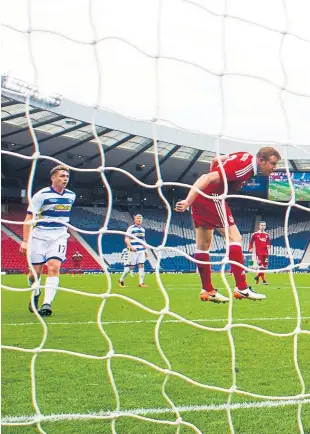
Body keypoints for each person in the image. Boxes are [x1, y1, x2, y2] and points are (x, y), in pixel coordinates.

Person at [175, 147, 281, 303]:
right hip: (212, 198)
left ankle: (208, 290)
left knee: (203, 245)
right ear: (261, 160)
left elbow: (215, 161)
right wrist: (187, 201)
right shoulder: (244, 168)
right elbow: (206, 177)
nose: (274, 168)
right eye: (272, 164)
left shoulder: (244, 155)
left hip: (203, 197)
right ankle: (242, 288)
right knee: (235, 238)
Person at [19, 165, 76, 316]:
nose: (65, 179)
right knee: (34, 274)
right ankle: (35, 293)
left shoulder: (71, 195)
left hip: (59, 236)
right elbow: (29, 218)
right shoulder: (41, 195)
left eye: (67, 176)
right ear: (53, 178)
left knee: (54, 267)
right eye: (62, 176)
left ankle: (46, 304)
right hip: (39, 237)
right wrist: (25, 241)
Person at [119, 214, 148, 288]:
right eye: (137, 218)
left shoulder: (143, 229)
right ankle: (121, 279)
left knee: (141, 265)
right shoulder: (131, 228)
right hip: (133, 250)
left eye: (140, 218)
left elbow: (143, 240)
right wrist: (131, 247)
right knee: (131, 267)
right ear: (134, 220)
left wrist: (146, 250)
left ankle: (141, 283)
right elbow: (126, 238)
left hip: (141, 250)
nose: (139, 219)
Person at [249, 221, 270, 285]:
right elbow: (251, 242)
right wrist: (250, 248)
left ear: (265, 226)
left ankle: (257, 277)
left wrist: (268, 246)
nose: (263, 226)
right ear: (259, 226)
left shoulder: (267, 235)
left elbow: (268, 243)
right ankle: (264, 280)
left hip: (265, 253)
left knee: (265, 267)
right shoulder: (255, 234)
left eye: (264, 225)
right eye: (261, 225)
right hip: (259, 253)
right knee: (261, 266)